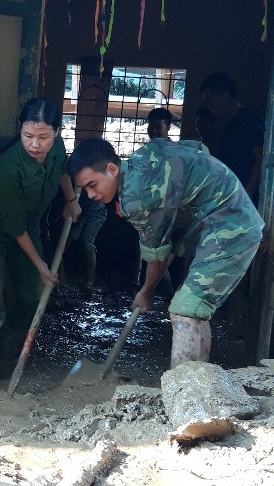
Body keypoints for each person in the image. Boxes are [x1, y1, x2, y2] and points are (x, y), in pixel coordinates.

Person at [67, 136, 263, 368]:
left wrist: (146, 292)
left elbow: (156, 256)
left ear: (112, 169)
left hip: (231, 223)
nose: (90, 195)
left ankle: (181, 391)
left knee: (185, 309)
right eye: (84, 189)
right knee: (193, 308)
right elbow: (200, 148)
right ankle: (196, 381)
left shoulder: (138, 199)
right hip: (218, 217)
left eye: (93, 185)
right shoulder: (143, 155)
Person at [0, 98, 81, 391]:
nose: (35, 144)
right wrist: (41, 265)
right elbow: (13, 227)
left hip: (27, 228)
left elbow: (64, 171)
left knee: (37, 293)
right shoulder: (7, 169)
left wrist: (70, 199)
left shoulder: (59, 149)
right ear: (21, 131)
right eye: (28, 136)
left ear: (56, 132)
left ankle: (8, 353)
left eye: (43, 137)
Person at [200, 72, 264, 200]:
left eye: (210, 99)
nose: (208, 106)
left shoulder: (248, 121)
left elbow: (261, 158)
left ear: (225, 96)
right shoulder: (227, 125)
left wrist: (247, 194)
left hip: (244, 200)